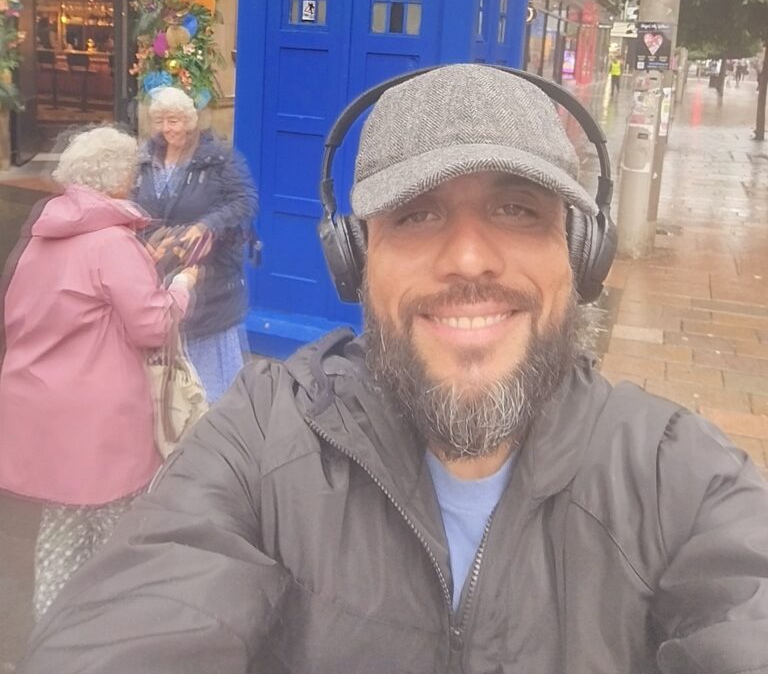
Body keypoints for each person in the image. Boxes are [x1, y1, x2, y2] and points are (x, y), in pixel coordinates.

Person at [18, 65, 768, 673]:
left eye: (517, 210)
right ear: (353, 260)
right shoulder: (258, 440)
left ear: (581, 256)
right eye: (416, 214)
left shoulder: (683, 479)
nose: (470, 257)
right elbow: (136, 619)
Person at [0, 126, 195, 621]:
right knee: (118, 539)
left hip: (43, 406)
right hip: (102, 418)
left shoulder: (44, 236)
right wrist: (184, 287)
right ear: (115, 178)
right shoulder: (110, 243)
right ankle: (110, 634)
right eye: (131, 168)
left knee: (63, 532)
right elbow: (152, 325)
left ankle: (53, 637)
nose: (134, 176)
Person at [133, 87, 257, 402]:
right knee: (164, 377)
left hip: (207, 276)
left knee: (208, 380)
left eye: (175, 120)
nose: (168, 128)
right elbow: (133, 204)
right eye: (161, 121)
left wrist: (206, 226)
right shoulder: (145, 156)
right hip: (158, 272)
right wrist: (144, 240)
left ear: (191, 121)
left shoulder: (218, 157)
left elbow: (245, 201)